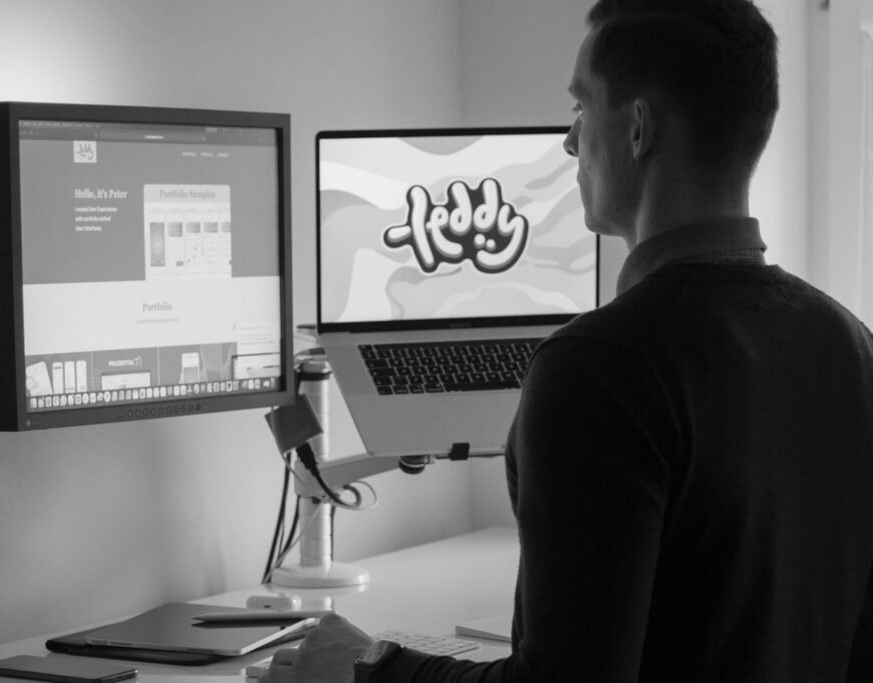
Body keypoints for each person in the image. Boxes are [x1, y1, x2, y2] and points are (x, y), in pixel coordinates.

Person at [261, 0, 873, 680]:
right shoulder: (849, 346)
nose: (568, 141)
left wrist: (369, 666)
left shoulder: (600, 368)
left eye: (581, 107)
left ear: (637, 128)